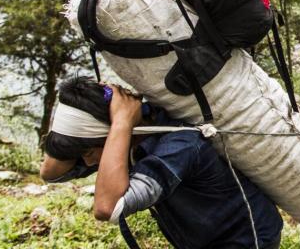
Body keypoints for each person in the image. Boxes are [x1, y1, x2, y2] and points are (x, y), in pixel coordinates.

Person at [40, 77, 283, 249]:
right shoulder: (124, 141)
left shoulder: (179, 146)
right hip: (201, 237)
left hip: (245, 238)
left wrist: (121, 122)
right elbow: (51, 173)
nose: (87, 161)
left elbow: (107, 207)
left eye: (89, 151)